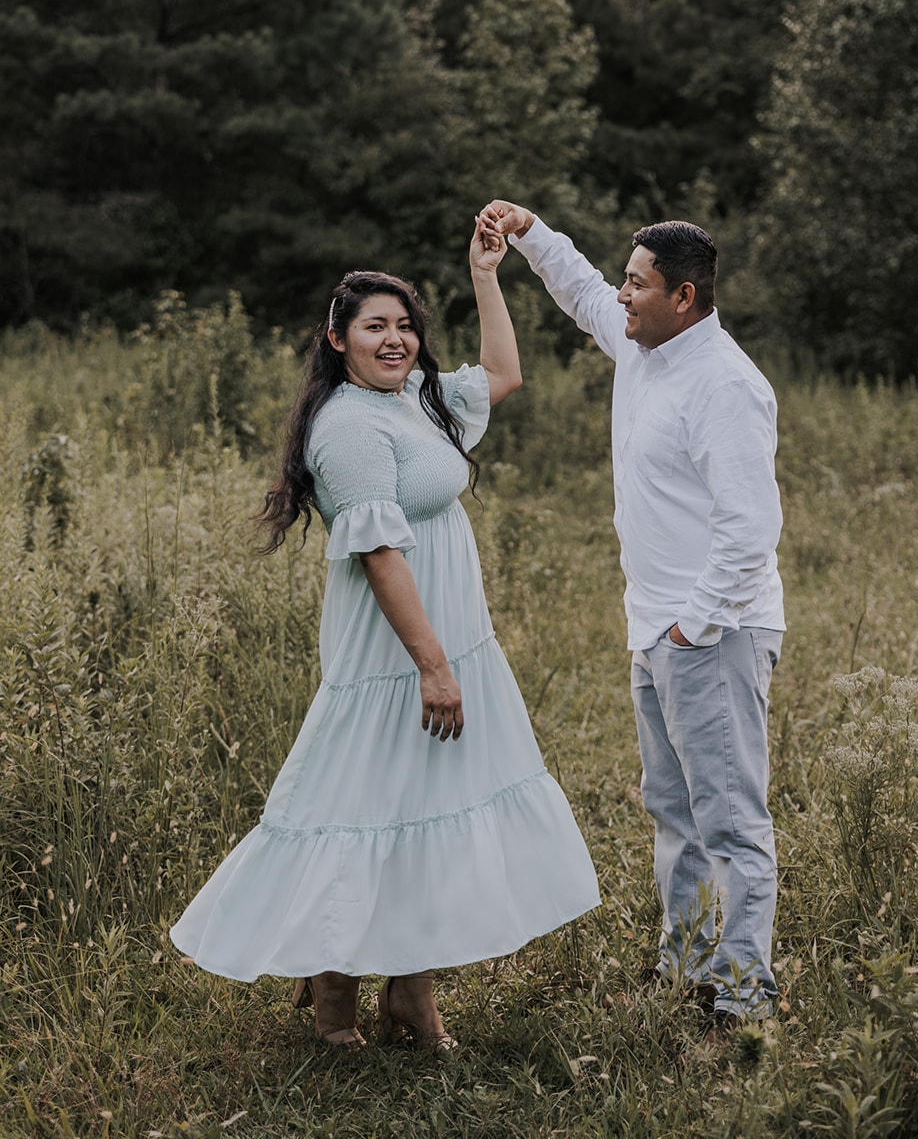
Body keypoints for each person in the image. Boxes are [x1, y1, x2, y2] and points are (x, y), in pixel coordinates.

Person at [170, 218, 599, 1051]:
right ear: (337, 340)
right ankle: (335, 997)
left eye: (404, 325)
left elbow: (506, 372)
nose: (394, 338)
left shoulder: (412, 401)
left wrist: (484, 275)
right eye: (375, 326)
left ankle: (411, 989)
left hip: (448, 638)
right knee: (358, 803)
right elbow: (375, 552)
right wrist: (432, 666)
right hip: (398, 651)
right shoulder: (348, 427)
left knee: (424, 803)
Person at [481, 201, 785, 1039]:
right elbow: (580, 291)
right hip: (654, 629)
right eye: (624, 279)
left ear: (682, 297)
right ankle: (685, 963)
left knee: (727, 816)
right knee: (672, 811)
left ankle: (743, 994)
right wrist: (530, 233)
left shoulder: (724, 384)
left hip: (713, 632)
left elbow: (749, 531)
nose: (620, 296)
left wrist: (693, 626)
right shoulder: (642, 346)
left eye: (636, 284)